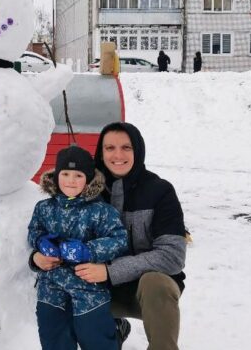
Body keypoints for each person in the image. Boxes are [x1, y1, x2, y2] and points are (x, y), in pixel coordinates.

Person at [81, 122, 187, 350]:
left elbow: (172, 256)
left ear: (137, 150)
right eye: (109, 148)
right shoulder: (87, 191)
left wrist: (111, 271)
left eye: (126, 147)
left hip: (147, 291)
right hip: (100, 288)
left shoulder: (160, 191)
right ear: (101, 152)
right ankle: (110, 332)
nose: (117, 155)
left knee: (155, 283)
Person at [29, 145, 128, 350]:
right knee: (54, 337)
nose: (71, 180)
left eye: (78, 175)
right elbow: (34, 231)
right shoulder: (44, 208)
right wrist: (40, 244)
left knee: (95, 338)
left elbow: (119, 239)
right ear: (56, 176)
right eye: (65, 174)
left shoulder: (100, 211)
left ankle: (114, 332)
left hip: (88, 286)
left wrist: (88, 250)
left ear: (89, 179)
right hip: (51, 287)